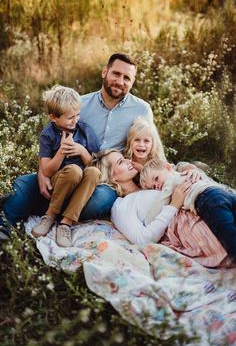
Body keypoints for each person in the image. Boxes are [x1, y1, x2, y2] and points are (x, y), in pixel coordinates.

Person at [1, 53, 153, 233]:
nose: (120, 81)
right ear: (105, 72)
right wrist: (42, 174)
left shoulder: (141, 109)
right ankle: (5, 225)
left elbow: (150, 147)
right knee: (25, 183)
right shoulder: (79, 104)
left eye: (127, 78)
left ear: (133, 82)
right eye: (116, 74)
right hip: (68, 170)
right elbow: (49, 140)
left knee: (99, 201)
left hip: (106, 179)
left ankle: (46, 209)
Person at [92, 149, 228, 267]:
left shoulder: (151, 180)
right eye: (120, 162)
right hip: (192, 225)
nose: (129, 161)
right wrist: (173, 205)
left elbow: (172, 168)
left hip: (207, 199)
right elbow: (142, 239)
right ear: (111, 177)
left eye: (124, 158)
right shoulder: (121, 206)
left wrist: (193, 170)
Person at [31, 85, 100, 247]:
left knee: (94, 172)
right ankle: (50, 215)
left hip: (82, 182)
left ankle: (66, 223)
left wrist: (82, 151)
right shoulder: (48, 135)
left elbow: (94, 163)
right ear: (53, 117)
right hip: (60, 179)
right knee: (74, 171)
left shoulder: (84, 130)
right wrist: (62, 151)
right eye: (70, 118)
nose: (75, 120)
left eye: (77, 115)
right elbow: (46, 170)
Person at [140, 158, 236, 259]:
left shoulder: (169, 182)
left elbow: (159, 204)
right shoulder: (186, 174)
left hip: (208, 199)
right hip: (221, 192)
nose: (157, 186)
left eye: (156, 179)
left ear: (168, 168)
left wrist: (147, 221)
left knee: (227, 233)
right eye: (154, 187)